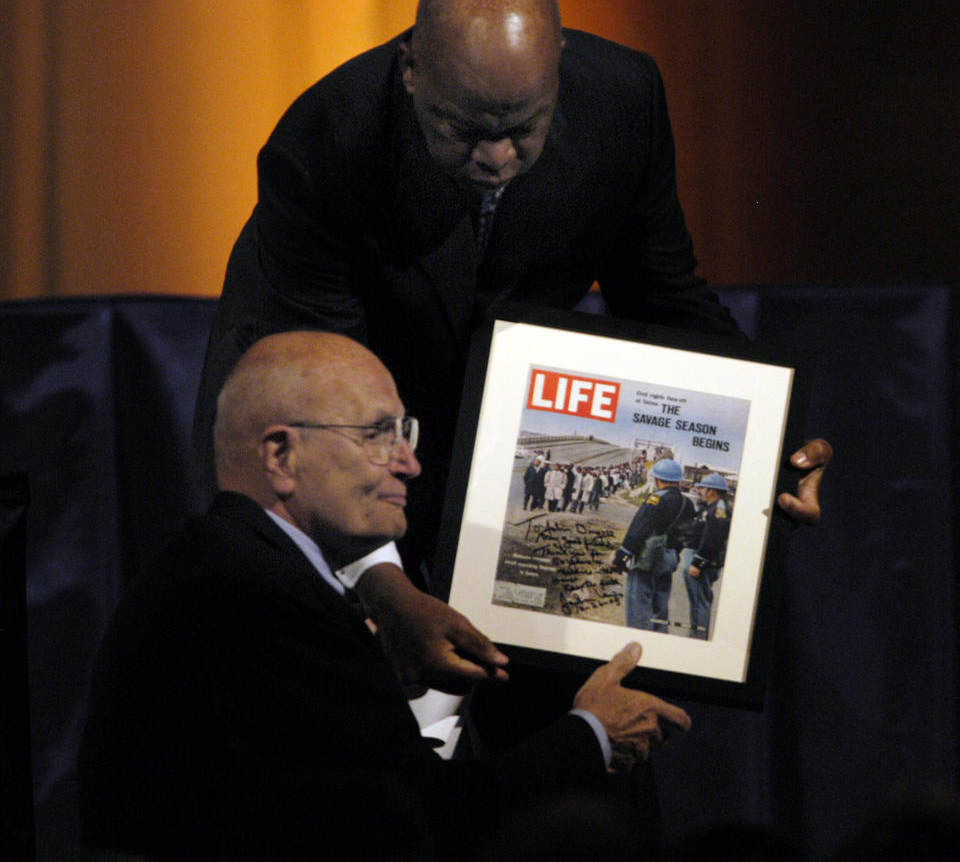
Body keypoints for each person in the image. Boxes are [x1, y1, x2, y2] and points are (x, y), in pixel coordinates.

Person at [192, 0, 832, 690]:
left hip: (493, 448)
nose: (495, 157)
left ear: (559, 66)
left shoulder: (623, 100)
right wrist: (385, 584)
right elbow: (318, 397)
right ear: (411, 71)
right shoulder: (325, 143)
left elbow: (663, 294)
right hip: (332, 441)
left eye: (523, 127)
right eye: (461, 128)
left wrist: (768, 446)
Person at [78, 331, 691, 861]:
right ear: (281, 456)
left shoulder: (222, 563)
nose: (410, 463)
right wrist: (592, 734)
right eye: (377, 434)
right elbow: (422, 820)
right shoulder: (268, 598)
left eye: (407, 432)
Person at [610, 458, 695, 634]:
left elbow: (638, 530)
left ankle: (638, 643)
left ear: (657, 479)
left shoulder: (656, 499)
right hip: (670, 557)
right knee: (660, 606)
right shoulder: (687, 504)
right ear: (678, 480)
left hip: (648, 558)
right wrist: (673, 551)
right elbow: (687, 535)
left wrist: (621, 557)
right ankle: (658, 640)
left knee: (639, 607)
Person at [680, 472, 732, 639]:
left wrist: (698, 563)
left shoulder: (719, 508)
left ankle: (698, 639)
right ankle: (696, 635)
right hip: (697, 557)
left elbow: (713, 539)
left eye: (703, 487)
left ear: (712, 491)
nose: (699, 490)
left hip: (702, 562)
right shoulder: (710, 506)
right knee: (697, 602)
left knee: (700, 603)